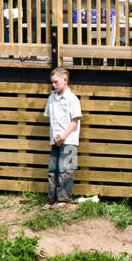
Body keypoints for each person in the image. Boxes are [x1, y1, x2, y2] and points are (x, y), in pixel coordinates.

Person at [44, 66, 81, 208]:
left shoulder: (72, 99)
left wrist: (63, 137)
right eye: (52, 82)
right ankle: (52, 199)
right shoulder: (52, 98)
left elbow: (74, 122)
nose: (53, 85)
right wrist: (56, 138)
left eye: (56, 82)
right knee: (52, 170)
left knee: (66, 171)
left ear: (65, 80)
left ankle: (64, 200)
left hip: (69, 140)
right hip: (55, 140)